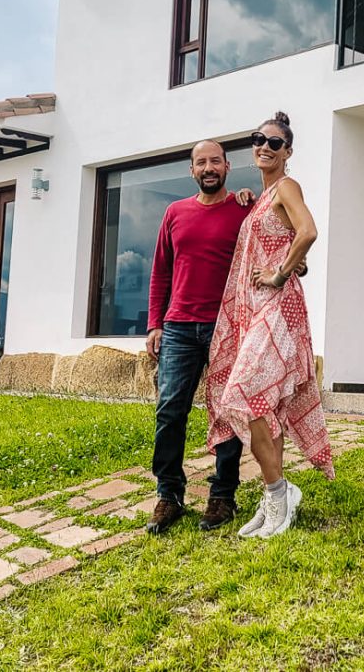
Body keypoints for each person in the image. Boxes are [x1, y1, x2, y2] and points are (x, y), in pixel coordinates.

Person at [205, 112, 334, 539]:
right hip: (257, 308)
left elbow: (308, 230)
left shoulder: (286, 186)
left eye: (274, 143)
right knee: (265, 404)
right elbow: (282, 235)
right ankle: (274, 494)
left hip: (278, 307)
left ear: (287, 152)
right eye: (258, 139)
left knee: (243, 393)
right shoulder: (260, 197)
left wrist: (280, 272)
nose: (264, 146)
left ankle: (280, 492)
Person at [144, 140, 252, 535]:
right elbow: (161, 272)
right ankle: (169, 495)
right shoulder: (175, 212)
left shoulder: (243, 210)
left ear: (227, 166)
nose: (209, 168)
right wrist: (155, 323)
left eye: (215, 161)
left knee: (227, 411)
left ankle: (223, 495)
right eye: (201, 162)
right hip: (179, 327)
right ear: (192, 170)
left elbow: (267, 239)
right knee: (170, 410)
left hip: (228, 326)